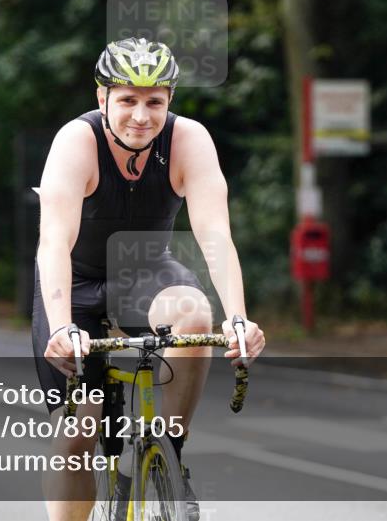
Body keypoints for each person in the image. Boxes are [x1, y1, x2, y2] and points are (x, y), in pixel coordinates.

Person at [31, 37, 265, 521]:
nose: (141, 116)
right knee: (78, 434)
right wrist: (60, 328)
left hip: (147, 275)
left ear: (169, 101)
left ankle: (170, 459)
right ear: (103, 99)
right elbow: (54, 242)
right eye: (128, 101)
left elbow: (215, 235)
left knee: (196, 314)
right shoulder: (76, 142)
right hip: (73, 288)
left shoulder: (189, 140)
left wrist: (238, 318)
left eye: (154, 102)